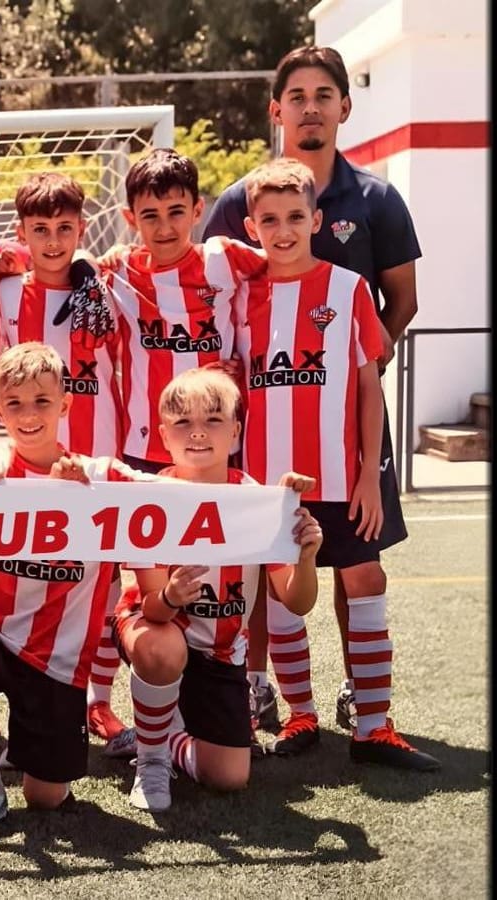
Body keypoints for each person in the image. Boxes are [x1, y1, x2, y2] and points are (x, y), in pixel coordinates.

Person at [204, 45, 419, 744]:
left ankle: (367, 708)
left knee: (357, 567)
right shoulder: (239, 201)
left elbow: (399, 302)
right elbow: (206, 302)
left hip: (348, 427)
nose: (309, 106)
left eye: (322, 94)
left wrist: (356, 371)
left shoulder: (376, 200)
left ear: (342, 106)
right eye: (295, 95)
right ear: (276, 109)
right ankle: (271, 696)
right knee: (273, 574)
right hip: (268, 451)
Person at [232, 158, 438, 770]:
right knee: (282, 594)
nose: (284, 229)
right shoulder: (243, 296)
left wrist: (370, 474)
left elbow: (369, 388)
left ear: (316, 219)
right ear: (252, 226)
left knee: (364, 580)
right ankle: (300, 715)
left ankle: (374, 725)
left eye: (296, 216)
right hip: (272, 483)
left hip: (342, 472)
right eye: (270, 219)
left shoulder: (347, 288)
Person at [0, 342, 153, 836]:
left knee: (45, 799)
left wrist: (272, 507)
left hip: (58, 658)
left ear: (65, 404)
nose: (28, 414)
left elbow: (170, 495)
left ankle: (28, 746)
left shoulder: (102, 474)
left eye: (42, 401)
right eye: (14, 403)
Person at [109, 366, 322, 811]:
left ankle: (166, 736)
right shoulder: (150, 498)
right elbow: (151, 608)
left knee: (229, 777)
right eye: (183, 422)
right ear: (164, 435)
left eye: (213, 420)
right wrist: (171, 596)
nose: (198, 433)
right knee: (161, 648)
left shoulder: (258, 502)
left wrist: (306, 557)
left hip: (222, 654)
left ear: (236, 432)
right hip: (158, 628)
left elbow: (297, 600)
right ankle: (150, 760)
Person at [0, 172, 130, 744]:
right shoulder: (5, 291)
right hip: (30, 457)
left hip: (98, 452)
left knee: (105, 581)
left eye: (65, 229)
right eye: (40, 230)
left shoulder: (108, 288)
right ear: (23, 232)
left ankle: (99, 700)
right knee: (31, 573)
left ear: (83, 229)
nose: (53, 242)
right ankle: (30, 687)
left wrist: (96, 270)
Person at [99, 148, 266, 475]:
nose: (164, 228)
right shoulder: (119, 271)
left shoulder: (225, 258)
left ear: (198, 210)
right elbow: (65, 267)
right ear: (130, 218)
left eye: (176, 212)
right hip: (146, 446)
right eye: (150, 215)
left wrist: (247, 364)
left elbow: (291, 268)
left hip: (217, 444)